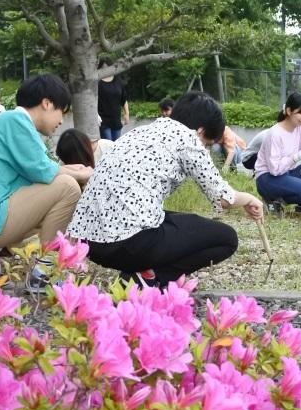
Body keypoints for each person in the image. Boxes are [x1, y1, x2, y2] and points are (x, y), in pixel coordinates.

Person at [67, 91, 263, 287]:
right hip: (129, 244)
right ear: (201, 132)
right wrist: (249, 198)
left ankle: (138, 275)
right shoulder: (189, 138)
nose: (205, 149)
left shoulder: (142, 131)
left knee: (188, 222)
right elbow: (223, 198)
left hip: (90, 244)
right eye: (207, 145)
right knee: (226, 238)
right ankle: (150, 277)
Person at [0, 74, 92, 256]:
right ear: (47, 104)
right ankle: (47, 269)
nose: (61, 121)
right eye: (62, 111)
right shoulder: (16, 121)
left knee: (61, 187)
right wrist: (80, 174)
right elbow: (44, 171)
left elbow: (42, 170)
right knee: (68, 188)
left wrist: (73, 170)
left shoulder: (8, 121)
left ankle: (15, 256)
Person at [255, 92, 301, 215]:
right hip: (268, 178)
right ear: (288, 111)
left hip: (287, 172)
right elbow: (275, 169)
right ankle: (271, 200)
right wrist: (296, 157)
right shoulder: (275, 134)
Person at [97, 57, 130, 141]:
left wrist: (126, 113)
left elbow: (124, 99)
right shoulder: (97, 82)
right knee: (107, 145)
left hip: (116, 119)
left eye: (108, 67)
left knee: (116, 145)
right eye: (103, 68)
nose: (105, 70)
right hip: (103, 120)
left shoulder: (118, 81)